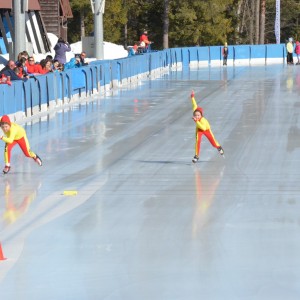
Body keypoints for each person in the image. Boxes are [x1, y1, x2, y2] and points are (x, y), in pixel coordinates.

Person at [190, 91, 224, 163]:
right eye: (195, 115)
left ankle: (219, 147)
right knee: (197, 141)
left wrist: (196, 121)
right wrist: (192, 97)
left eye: (198, 115)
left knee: (213, 143)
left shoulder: (203, 120)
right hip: (199, 129)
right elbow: (194, 105)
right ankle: (196, 156)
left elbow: (203, 128)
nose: (197, 117)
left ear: (201, 115)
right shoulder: (196, 111)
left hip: (206, 129)